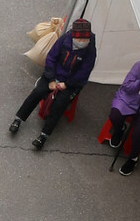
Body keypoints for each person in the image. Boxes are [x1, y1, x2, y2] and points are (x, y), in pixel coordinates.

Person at [9, 17, 96, 148]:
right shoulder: (64, 40)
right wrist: (51, 79)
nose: (82, 42)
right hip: (53, 76)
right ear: (73, 36)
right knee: (37, 93)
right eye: (79, 40)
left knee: (59, 105)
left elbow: (84, 73)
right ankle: (18, 119)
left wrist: (66, 84)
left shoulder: (90, 50)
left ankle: (44, 135)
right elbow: (51, 58)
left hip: (71, 84)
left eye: (85, 40)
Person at [107, 59, 140, 175]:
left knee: (139, 132)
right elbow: (126, 86)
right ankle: (119, 129)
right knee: (115, 115)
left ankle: (133, 158)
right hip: (128, 99)